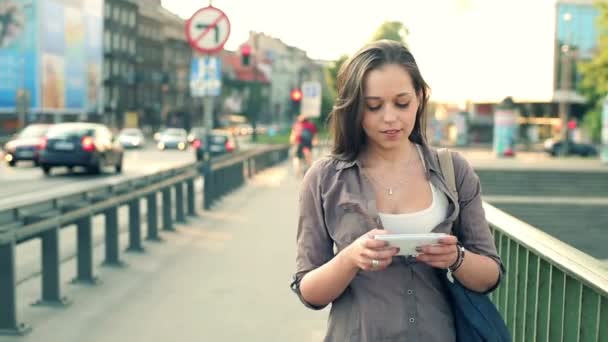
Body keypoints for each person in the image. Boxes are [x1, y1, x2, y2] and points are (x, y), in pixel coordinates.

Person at [291, 40, 503, 341]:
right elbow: (309, 292)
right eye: (373, 106)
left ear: (419, 97)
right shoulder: (325, 178)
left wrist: (455, 258)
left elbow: (490, 275)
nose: (390, 117)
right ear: (354, 108)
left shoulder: (453, 170)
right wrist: (350, 258)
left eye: (402, 103)